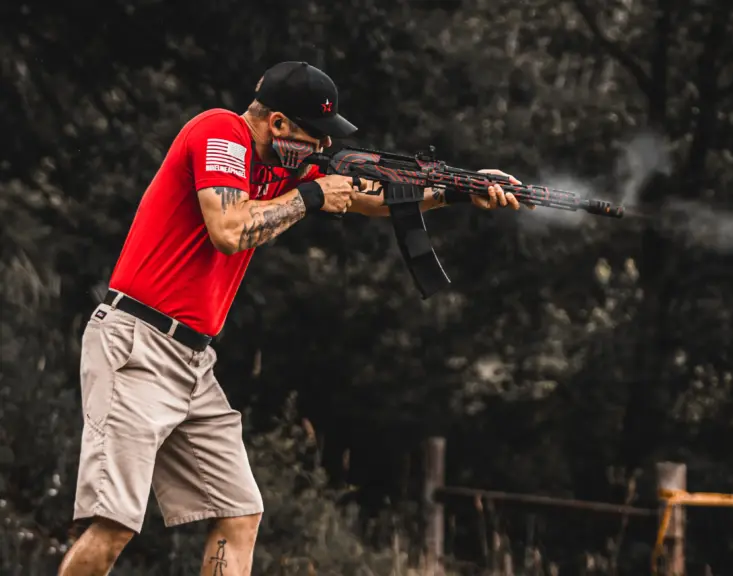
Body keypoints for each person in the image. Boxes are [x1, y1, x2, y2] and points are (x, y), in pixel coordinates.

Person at [58, 61, 525, 576]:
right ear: (277, 123)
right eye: (313, 135)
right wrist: (310, 196)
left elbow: (372, 196)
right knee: (114, 524)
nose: (322, 148)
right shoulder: (221, 131)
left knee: (239, 512)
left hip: (193, 359)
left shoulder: (285, 163)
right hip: (138, 343)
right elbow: (229, 229)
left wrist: (462, 188)